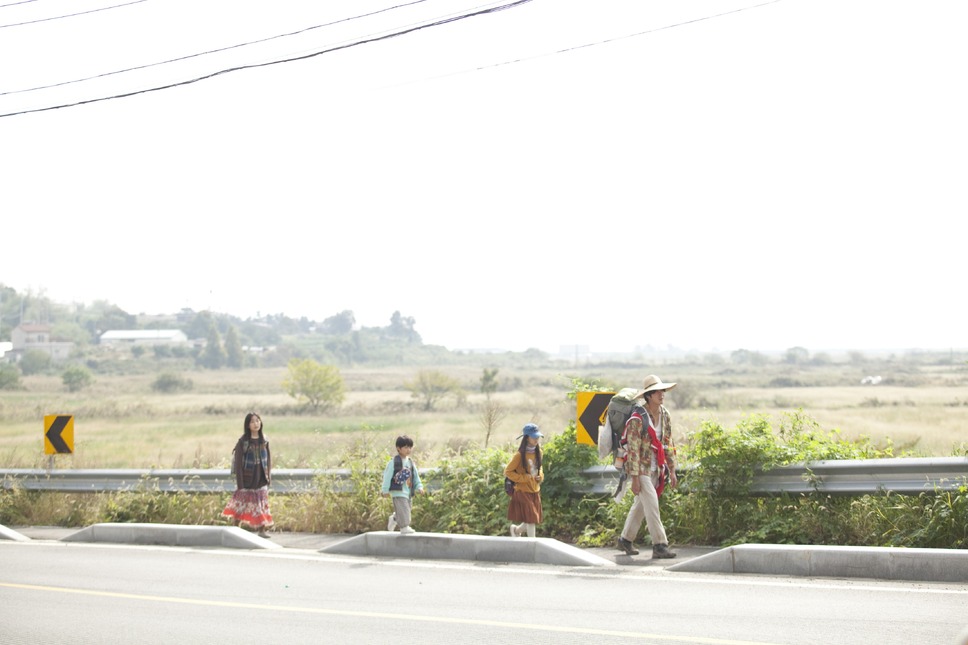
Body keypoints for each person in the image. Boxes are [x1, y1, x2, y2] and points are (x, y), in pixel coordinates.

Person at [617, 375, 678, 559]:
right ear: (649, 395)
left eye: (663, 391)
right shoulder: (637, 419)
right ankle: (660, 545)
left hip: (656, 468)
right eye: (658, 391)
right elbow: (633, 450)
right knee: (652, 505)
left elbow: (667, 443)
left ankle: (625, 539)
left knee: (640, 507)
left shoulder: (665, 415)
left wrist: (672, 470)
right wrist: (635, 479)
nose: (662, 394)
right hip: (640, 469)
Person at [222, 412, 273, 538]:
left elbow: (269, 459)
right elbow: (239, 463)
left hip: (261, 476)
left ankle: (262, 530)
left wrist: (268, 476)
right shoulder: (243, 441)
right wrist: (240, 484)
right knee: (242, 504)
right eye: (252, 422)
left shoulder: (264, 440)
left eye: (257, 421)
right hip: (247, 477)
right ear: (247, 425)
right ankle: (235, 528)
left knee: (261, 503)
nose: (256, 424)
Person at [506, 423, 544, 538]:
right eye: (534, 437)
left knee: (531, 518)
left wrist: (540, 476)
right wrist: (523, 478)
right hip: (522, 491)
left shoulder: (539, 452)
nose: (536, 439)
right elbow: (508, 472)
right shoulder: (519, 455)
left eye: (537, 436)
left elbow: (540, 467)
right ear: (527, 438)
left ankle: (516, 530)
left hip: (535, 490)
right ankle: (532, 544)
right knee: (532, 519)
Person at [382, 435, 424, 535]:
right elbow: (387, 476)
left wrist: (419, 486)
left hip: (408, 491)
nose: (408, 450)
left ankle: (395, 518)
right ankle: (404, 527)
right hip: (398, 491)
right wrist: (385, 490)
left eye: (410, 447)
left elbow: (415, 476)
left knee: (406, 510)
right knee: (404, 510)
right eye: (405, 447)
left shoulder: (410, 463)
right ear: (398, 448)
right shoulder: (393, 462)